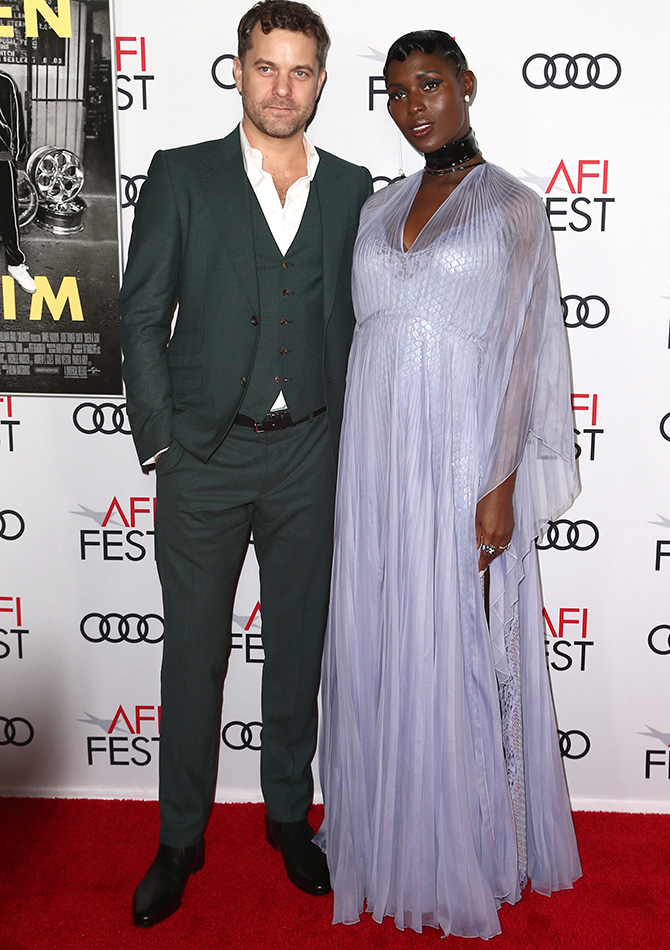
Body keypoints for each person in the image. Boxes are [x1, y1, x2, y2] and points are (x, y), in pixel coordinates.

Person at [316, 30, 581, 939]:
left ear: (466, 85)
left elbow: (521, 356)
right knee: (388, 640)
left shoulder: (513, 205)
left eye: (429, 85)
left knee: (458, 647)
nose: (413, 106)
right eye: (395, 93)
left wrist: (499, 478)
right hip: (376, 456)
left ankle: (467, 846)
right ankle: (385, 835)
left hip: (462, 455)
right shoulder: (375, 205)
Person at [119, 0, 371, 928]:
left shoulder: (353, 186)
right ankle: (179, 836)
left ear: (321, 81)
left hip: (310, 451)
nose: (282, 87)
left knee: (297, 645)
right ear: (238, 68)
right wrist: (161, 440)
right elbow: (142, 314)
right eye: (267, 66)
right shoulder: (181, 176)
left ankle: (284, 818)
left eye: (301, 70)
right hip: (204, 456)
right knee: (193, 651)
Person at [0, 70, 36, 294]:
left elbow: (17, 123)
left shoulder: (4, 82)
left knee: (7, 212)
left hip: (1, 158)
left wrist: (20, 162)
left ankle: (15, 264)